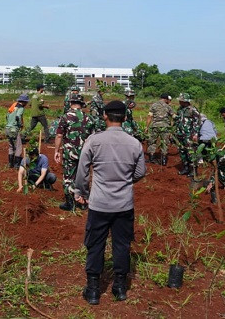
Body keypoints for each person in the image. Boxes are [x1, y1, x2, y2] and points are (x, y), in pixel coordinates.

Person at [72, 100, 145, 305]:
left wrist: (81, 191)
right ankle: (120, 288)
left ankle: (94, 290)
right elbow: (140, 172)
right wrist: (125, 181)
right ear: (124, 117)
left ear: (105, 116)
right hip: (124, 204)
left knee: (95, 244)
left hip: (99, 204)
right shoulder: (134, 143)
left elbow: (82, 171)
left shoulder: (94, 141)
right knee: (122, 245)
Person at [54, 93, 93, 211]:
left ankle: (70, 203)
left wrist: (57, 151)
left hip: (70, 152)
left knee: (69, 177)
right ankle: (83, 202)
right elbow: (92, 137)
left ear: (70, 103)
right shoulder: (89, 118)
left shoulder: (65, 117)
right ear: (82, 104)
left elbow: (59, 135)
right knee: (83, 177)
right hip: (85, 153)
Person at [173, 93, 201, 177]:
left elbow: (197, 122)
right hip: (180, 134)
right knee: (182, 151)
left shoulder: (192, 110)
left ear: (185, 101)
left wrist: (195, 134)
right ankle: (186, 167)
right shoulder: (180, 109)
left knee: (191, 152)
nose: (179, 102)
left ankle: (193, 170)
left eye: (181, 100)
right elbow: (177, 120)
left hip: (189, 135)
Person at [146, 94, 174, 165]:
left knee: (152, 142)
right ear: (166, 99)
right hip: (165, 127)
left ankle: (151, 158)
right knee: (164, 143)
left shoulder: (154, 105)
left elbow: (150, 116)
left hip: (155, 126)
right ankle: (164, 161)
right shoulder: (168, 107)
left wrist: (147, 127)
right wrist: (171, 128)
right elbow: (173, 117)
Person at [6, 94, 29, 168]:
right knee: (18, 147)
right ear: (24, 102)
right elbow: (18, 116)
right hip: (14, 129)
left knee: (11, 146)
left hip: (7, 128)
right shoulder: (21, 108)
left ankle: (10, 164)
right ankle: (16, 164)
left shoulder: (13, 106)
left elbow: (7, 116)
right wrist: (20, 124)